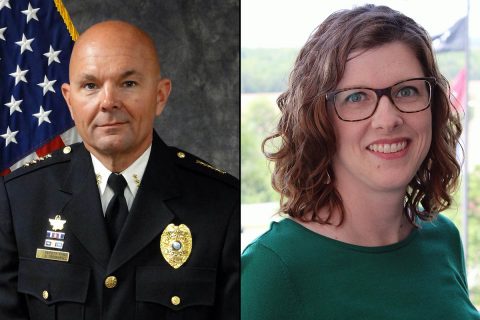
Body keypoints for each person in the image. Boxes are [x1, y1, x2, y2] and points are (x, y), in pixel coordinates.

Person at [242, 5, 479, 320]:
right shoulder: (273, 269)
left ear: (432, 107)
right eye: (356, 97)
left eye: (407, 91)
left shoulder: (443, 238)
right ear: (318, 121)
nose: (388, 119)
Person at [0, 20, 239, 320]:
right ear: (69, 101)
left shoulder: (222, 204)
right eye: (90, 86)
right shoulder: (19, 199)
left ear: (160, 96)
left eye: (128, 83)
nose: (109, 102)